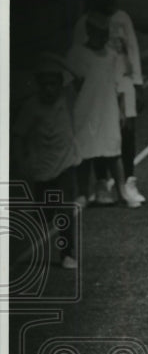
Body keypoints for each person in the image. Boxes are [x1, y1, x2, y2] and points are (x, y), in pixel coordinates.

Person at [73, 0, 146, 205]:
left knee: (125, 131)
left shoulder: (122, 18)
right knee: (96, 131)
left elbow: (133, 51)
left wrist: (138, 84)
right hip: (97, 86)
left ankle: (128, 182)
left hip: (122, 80)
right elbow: (76, 62)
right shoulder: (84, 22)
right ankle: (101, 183)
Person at [12, 52, 81, 269]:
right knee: (44, 215)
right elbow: (17, 136)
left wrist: (56, 58)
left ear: (60, 85)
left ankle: (67, 253)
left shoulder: (67, 98)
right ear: (39, 86)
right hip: (42, 168)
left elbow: (80, 77)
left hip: (66, 164)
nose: (49, 89)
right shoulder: (31, 107)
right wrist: (19, 162)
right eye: (45, 85)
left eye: (54, 84)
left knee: (65, 209)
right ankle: (16, 245)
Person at [66, 13, 138, 209]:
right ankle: (82, 193)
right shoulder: (76, 54)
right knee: (83, 151)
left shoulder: (112, 56)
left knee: (113, 150)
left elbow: (119, 84)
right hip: (85, 110)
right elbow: (70, 84)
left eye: (104, 33)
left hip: (108, 109)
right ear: (89, 32)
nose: (102, 36)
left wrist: (122, 111)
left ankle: (122, 192)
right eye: (98, 32)